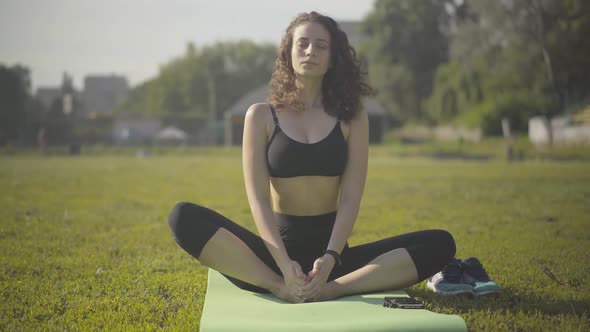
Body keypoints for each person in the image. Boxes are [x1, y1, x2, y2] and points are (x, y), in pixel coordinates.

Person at [168, 11, 456, 303]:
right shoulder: (260, 116)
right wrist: (283, 267)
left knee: (440, 243)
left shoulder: (352, 116)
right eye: (302, 43)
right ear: (288, 52)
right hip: (273, 257)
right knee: (182, 217)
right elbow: (259, 200)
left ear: (333, 57)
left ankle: (333, 289)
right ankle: (279, 287)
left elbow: (350, 199)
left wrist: (330, 260)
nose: (310, 51)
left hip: (334, 260)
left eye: (321, 45)